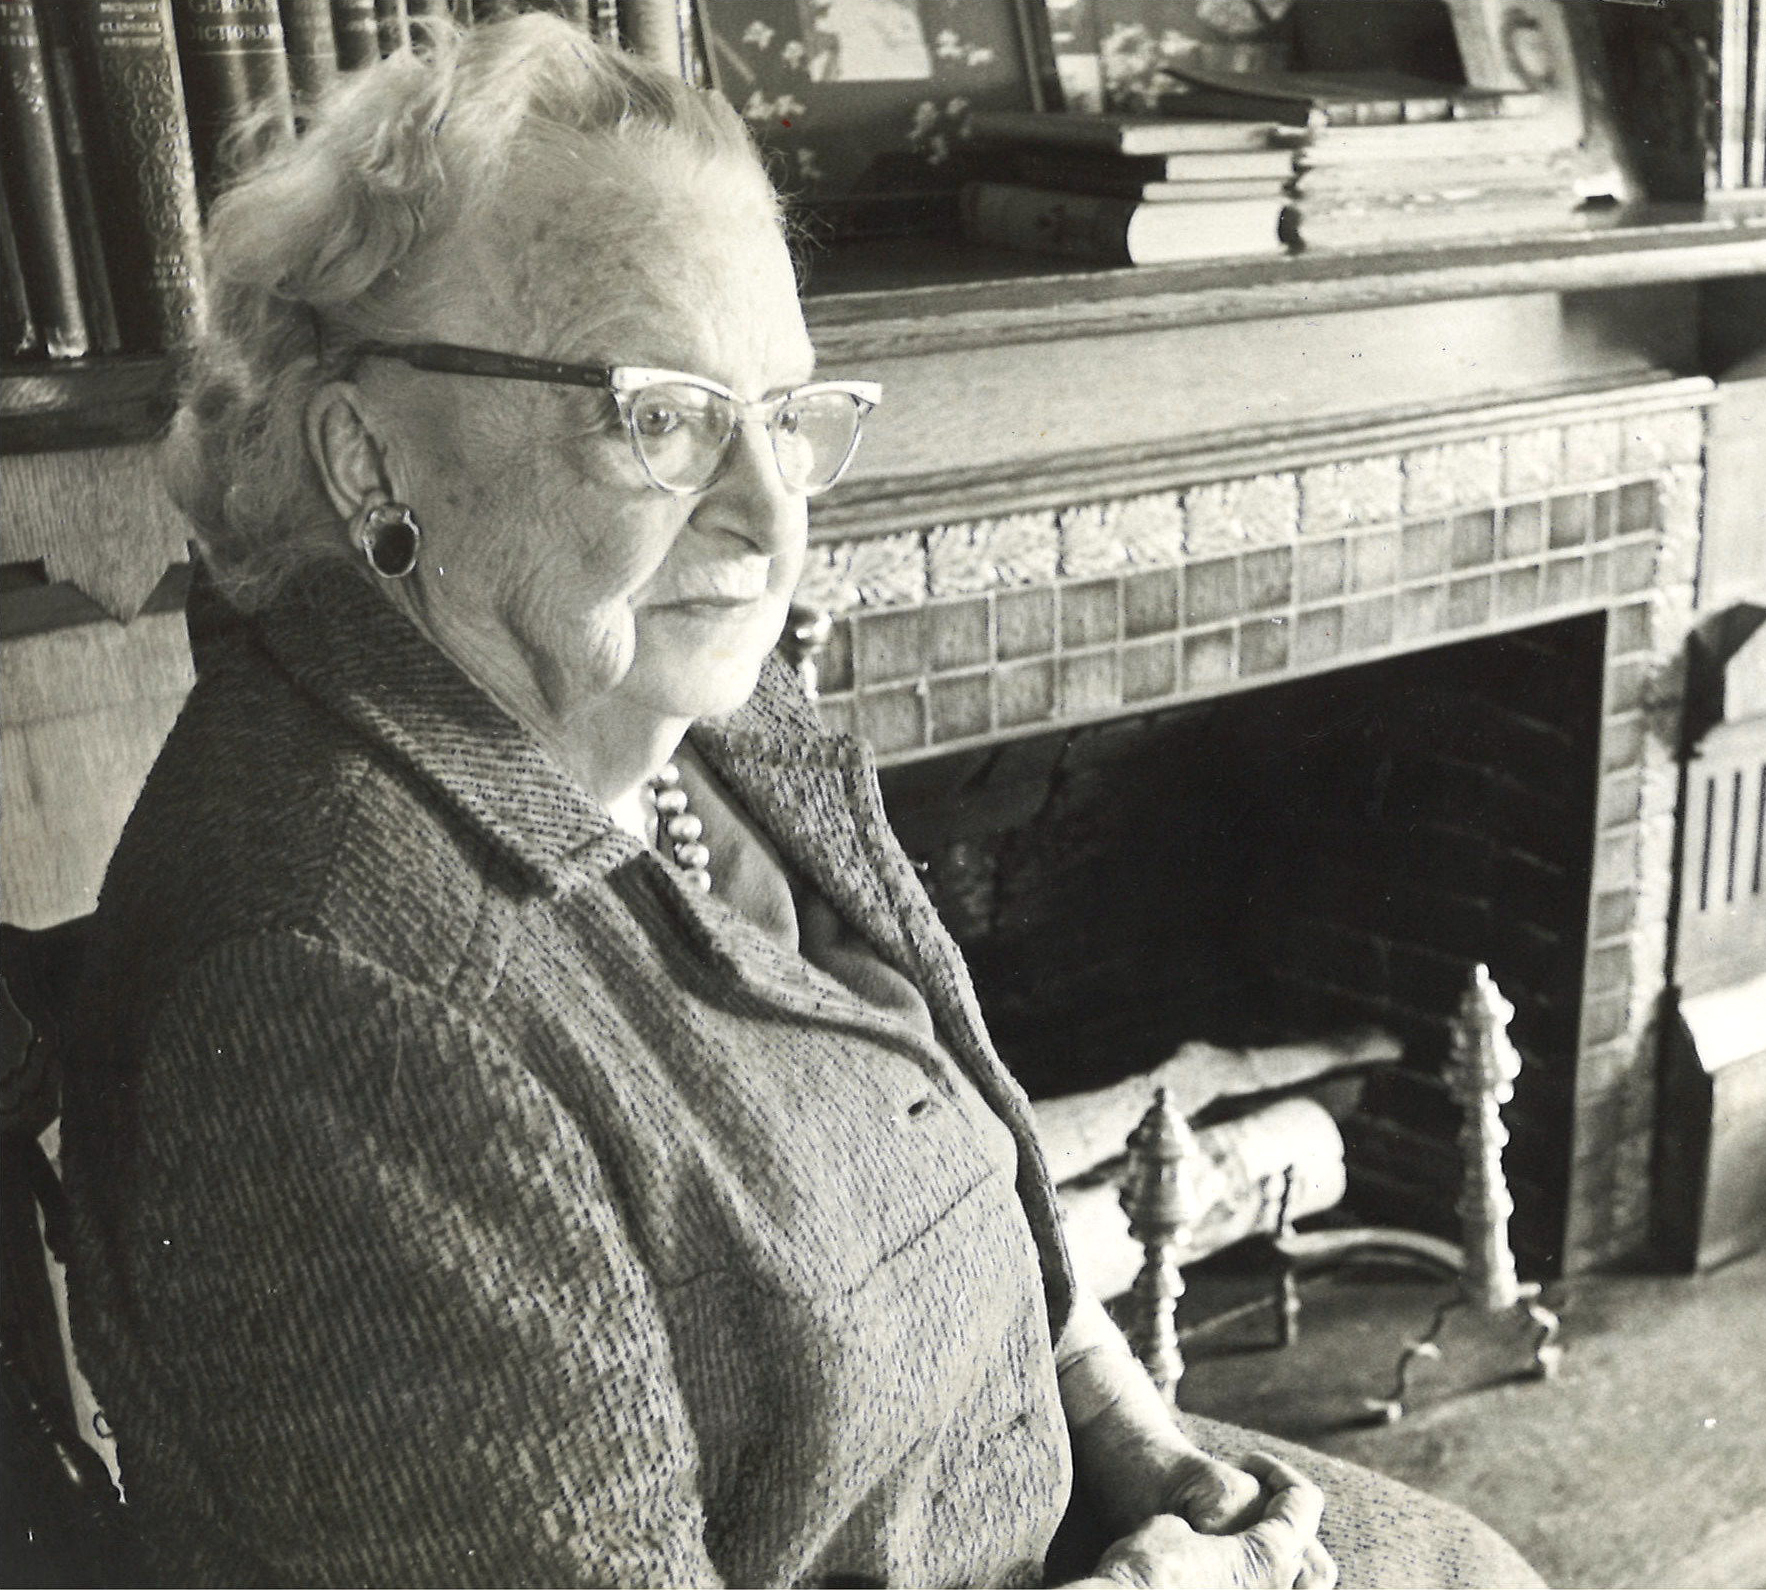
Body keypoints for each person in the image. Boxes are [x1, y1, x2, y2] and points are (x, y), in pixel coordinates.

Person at [58, 15, 1542, 1589]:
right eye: (659, 412)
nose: (770, 514)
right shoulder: (339, 1003)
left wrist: (1127, 1430)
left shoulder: (698, 717)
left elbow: (968, 1161)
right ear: (368, 458)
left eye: (785, 413)